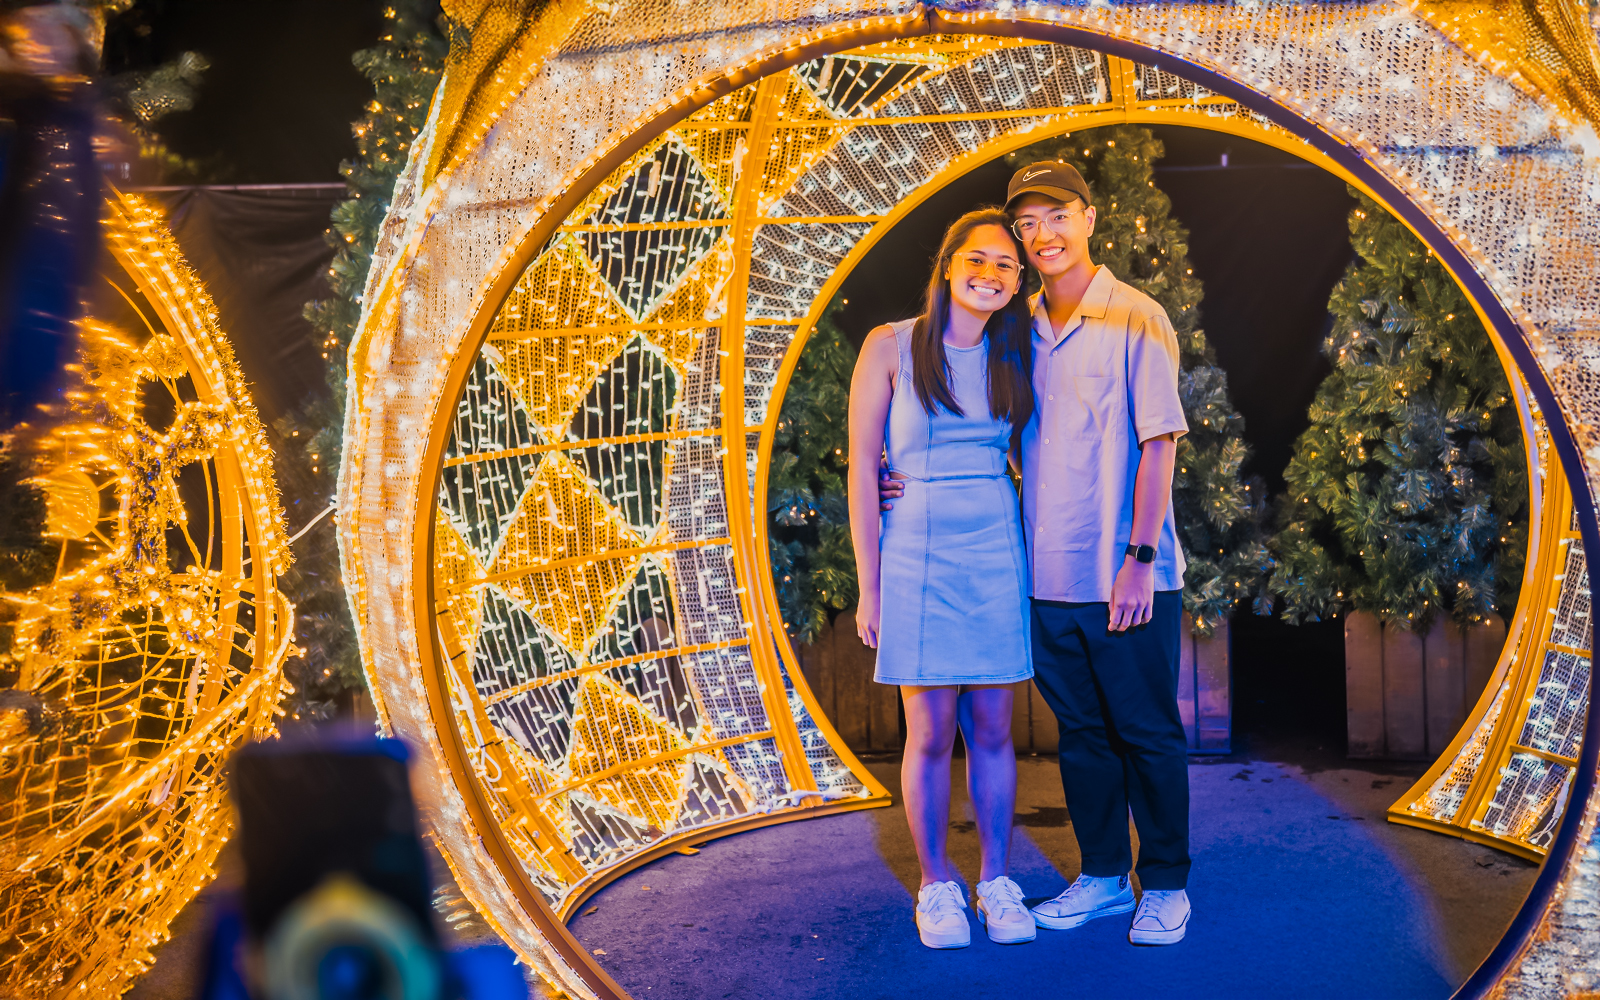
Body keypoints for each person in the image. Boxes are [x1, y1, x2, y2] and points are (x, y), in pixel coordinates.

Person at [880, 162, 1193, 946]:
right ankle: (1100, 878)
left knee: (1146, 732)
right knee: (1082, 738)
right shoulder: (1017, 329)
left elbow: (1160, 444)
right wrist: (900, 472)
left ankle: (1165, 884)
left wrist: (1140, 557)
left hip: (1126, 573)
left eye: (1057, 216)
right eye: (1028, 224)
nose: (1042, 234)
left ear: (1088, 219)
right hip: (1043, 575)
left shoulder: (1137, 316)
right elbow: (989, 433)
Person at [848, 208, 1038, 950]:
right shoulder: (890, 345)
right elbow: (865, 468)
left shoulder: (1016, 352)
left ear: (1018, 282)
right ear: (950, 264)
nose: (991, 274)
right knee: (927, 730)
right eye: (979, 259)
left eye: (1006, 266)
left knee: (993, 727)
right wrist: (870, 584)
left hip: (994, 538)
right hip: (915, 545)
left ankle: (996, 880)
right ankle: (935, 886)